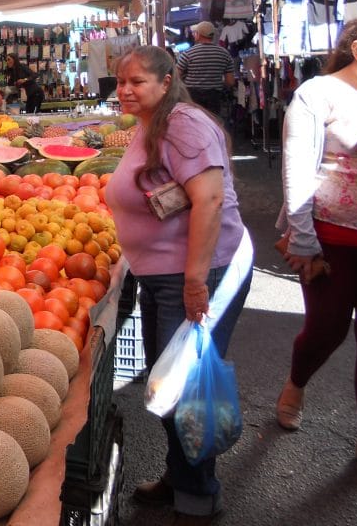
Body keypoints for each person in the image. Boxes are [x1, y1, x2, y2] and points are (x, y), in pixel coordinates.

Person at [105, 45, 252, 524]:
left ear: (166, 81)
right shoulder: (153, 120)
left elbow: (208, 200)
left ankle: (197, 495)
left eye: (137, 81)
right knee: (165, 379)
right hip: (162, 273)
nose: (125, 90)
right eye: (121, 81)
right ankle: (179, 475)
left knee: (185, 387)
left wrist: (194, 282)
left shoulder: (184, 123)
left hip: (198, 272)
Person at [275, 9, 357, 479]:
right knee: (327, 329)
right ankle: (296, 383)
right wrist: (303, 243)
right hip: (328, 241)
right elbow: (297, 171)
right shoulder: (316, 94)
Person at [177, 21, 235, 117]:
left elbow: (176, 77)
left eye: (195, 33)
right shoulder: (225, 54)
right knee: (211, 123)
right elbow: (230, 82)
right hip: (214, 97)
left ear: (198, 35)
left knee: (194, 123)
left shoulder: (188, 53)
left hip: (192, 96)